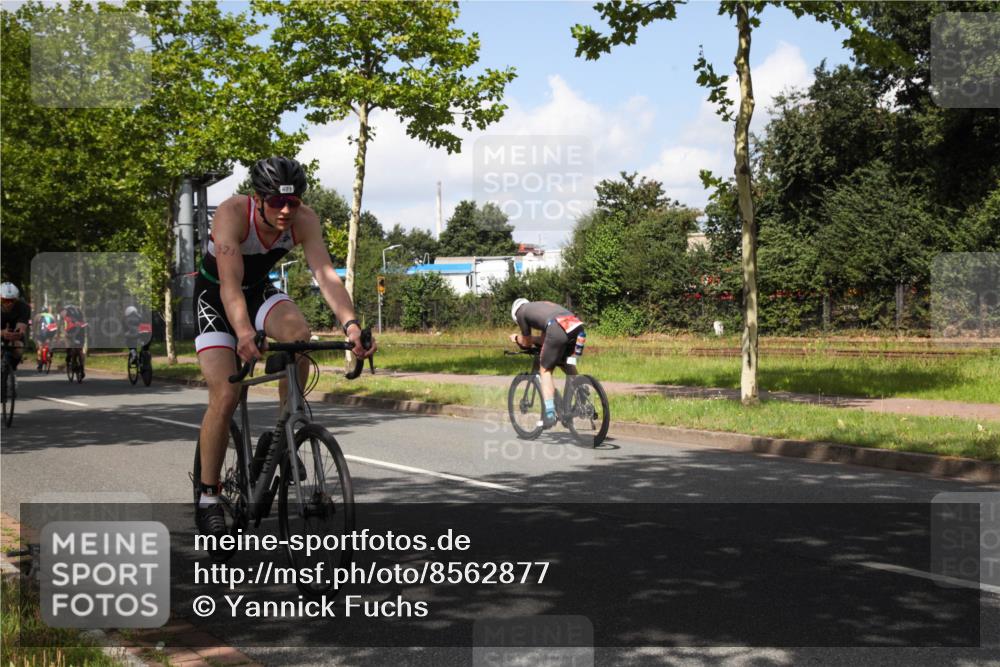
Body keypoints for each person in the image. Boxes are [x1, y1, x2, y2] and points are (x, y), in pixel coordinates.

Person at [193, 155, 376, 538]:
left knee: (298, 335)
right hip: (215, 297)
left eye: (293, 202)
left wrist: (352, 325)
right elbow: (229, 286)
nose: (286, 210)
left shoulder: (304, 219)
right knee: (225, 395)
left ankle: (282, 434)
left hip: (258, 292)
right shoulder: (231, 214)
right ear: (258, 198)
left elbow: (325, 276)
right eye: (277, 201)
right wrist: (243, 333)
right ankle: (209, 497)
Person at [509, 298, 586, 428]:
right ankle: (582, 394)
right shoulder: (542, 309)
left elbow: (527, 343)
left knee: (545, 370)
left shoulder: (521, 313)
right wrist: (535, 339)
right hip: (577, 328)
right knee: (568, 363)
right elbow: (545, 339)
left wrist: (516, 338)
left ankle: (550, 414)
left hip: (557, 329)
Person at [1, 283, 30, 370]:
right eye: (4, 300)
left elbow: (21, 326)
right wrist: (2, 333)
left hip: (13, 334)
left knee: (19, 349)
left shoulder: (24, 307)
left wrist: (18, 333)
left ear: (16, 300)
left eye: (11, 300)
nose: (8, 304)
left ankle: (10, 370)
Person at [59, 303, 87, 378]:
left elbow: (61, 325)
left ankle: (69, 357)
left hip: (70, 333)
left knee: (70, 348)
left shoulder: (64, 312)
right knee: (80, 350)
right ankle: (82, 368)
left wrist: (63, 333)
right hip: (80, 332)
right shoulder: (79, 311)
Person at [34, 306, 57, 371]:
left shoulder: (38, 316)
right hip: (50, 334)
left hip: (41, 335)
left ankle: (39, 362)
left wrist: (35, 334)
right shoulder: (52, 316)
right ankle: (50, 352)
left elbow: (34, 327)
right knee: (49, 345)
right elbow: (55, 326)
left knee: (39, 347)